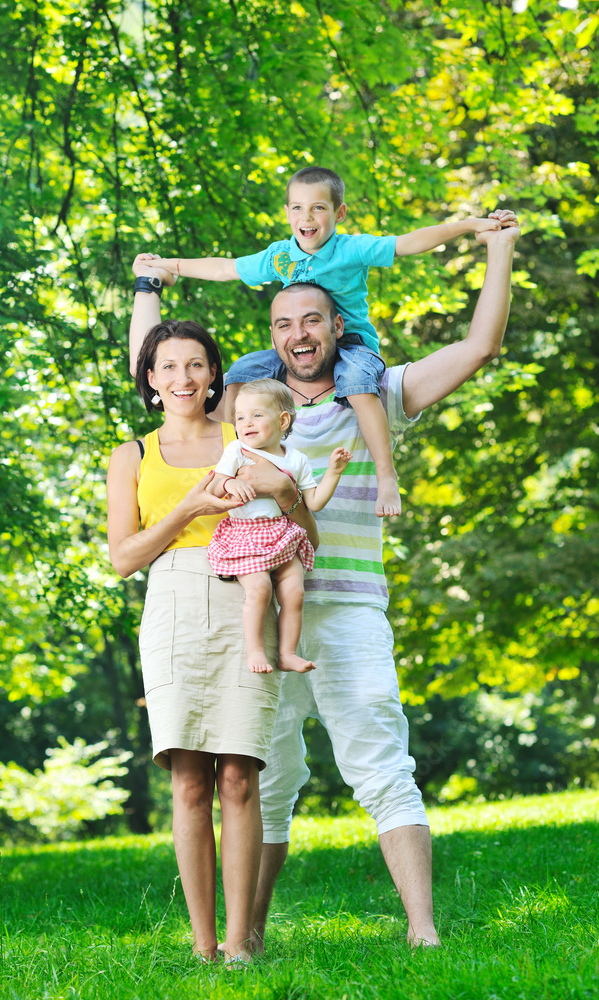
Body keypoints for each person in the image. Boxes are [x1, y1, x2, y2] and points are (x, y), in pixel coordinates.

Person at [129, 214, 521, 949]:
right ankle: (245, 939)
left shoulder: (375, 393)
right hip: (250, 618)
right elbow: (158, 373)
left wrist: (496, 248)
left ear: (338, 326)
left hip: (346, 611)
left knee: (380, 761)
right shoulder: (241, 416)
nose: (298, 333)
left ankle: (422, 931)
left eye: (312, 319)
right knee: (263, 787)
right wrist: (150, 285)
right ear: (271, 335)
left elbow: (478, 346)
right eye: (283, 322)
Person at [106, 312, 318, 965]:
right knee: (190, 782)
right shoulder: (130, 454)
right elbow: (123, 557)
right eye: (167, 365)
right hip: (171, 602)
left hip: (246, 596)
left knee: (239, 777)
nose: (182, 377)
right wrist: (190, 508)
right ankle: (203, 946)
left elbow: (307, 522)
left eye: (194, 363)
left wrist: (286, 493)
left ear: (213, 374)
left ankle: (241, 943)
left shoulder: (246, 434)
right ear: (148, 377)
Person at [149, 166, 517, 519]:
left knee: (357, 384)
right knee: (242, 370)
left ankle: (387, 475)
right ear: (287, 212)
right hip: (260, 547)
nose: (306, 217)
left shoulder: (351, 249)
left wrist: (471, 226)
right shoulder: (280, 255)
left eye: (318, 208)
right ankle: (234, 462)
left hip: (353, 345)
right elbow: (225, 269)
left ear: (339, 213)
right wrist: (167, 266)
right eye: (297, 208)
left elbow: (408, 244)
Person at [205, 378, 352, 674]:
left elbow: (314, 503)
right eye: (240, 417)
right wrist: (231, 481)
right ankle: (255, 650)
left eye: (257, 415)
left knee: (295, 592)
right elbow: (215, 486)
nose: (246, 423)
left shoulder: (296, 459)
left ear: (283, 420)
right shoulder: (237, 450)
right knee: (260, 589)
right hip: (246, 535)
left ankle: (287, 653)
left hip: (282, 534)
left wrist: (334, 473)